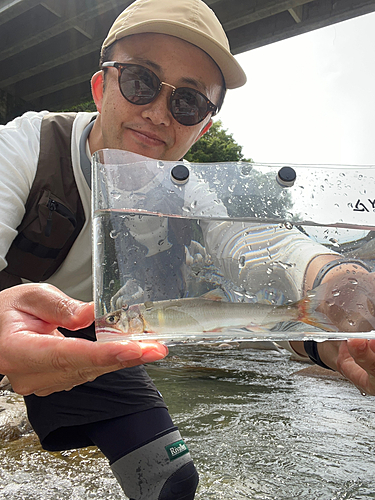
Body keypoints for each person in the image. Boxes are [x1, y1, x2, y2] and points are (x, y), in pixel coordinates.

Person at [0, 0, 375, 498]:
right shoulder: (26, 146)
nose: (157, 112)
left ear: (204, 126)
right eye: (139, 81)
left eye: (188, 102)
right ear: (100, 87)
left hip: (98, 337)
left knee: (170, 480)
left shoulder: (191, 196)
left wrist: (337, 289)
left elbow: (258, 248)